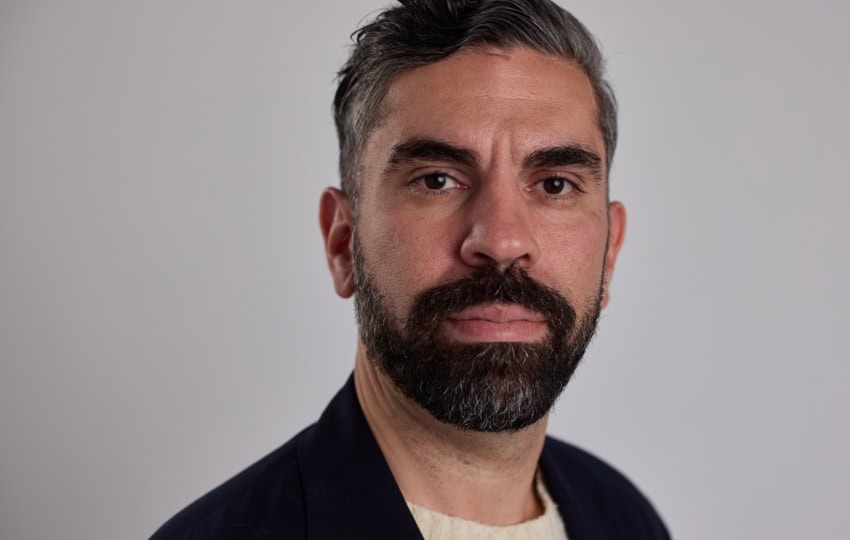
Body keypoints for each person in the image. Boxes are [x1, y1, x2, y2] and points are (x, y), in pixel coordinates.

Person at [151, 1, 669, 538]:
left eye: (555, 184)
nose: (502, 241)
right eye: (436, 180)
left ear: (609, 252)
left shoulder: (627, 518)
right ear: (342, 241)